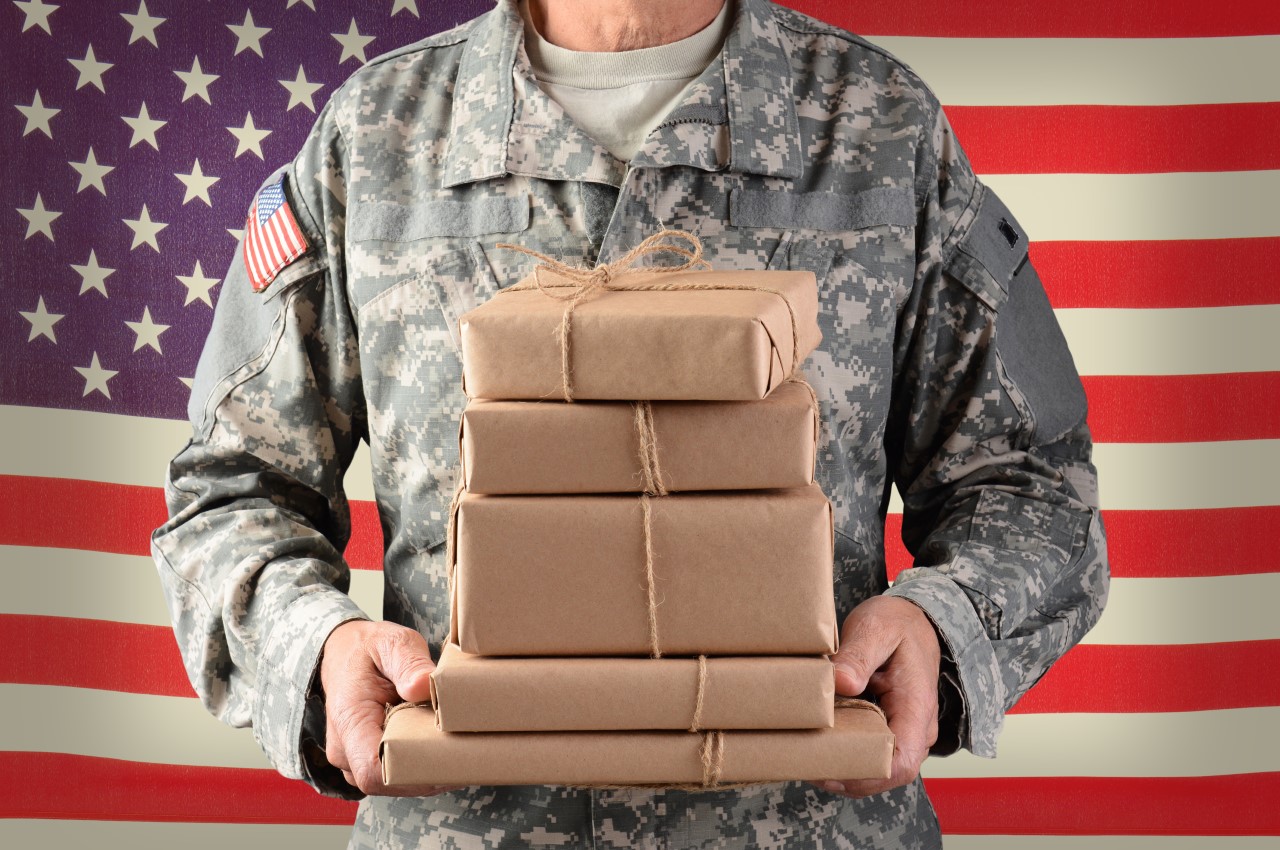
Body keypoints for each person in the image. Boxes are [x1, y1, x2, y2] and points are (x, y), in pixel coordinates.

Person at [151, 0, 1109, 847]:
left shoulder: (883, 129)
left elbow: (1032, 485)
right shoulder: (377, 138)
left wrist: (942, 625)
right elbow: (231, 489)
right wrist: (315, 649)